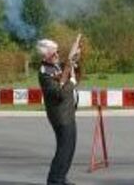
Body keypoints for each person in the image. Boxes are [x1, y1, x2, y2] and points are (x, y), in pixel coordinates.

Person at [38, 39, 80, 185]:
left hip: (67, 112)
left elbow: (73, 72)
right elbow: (59, 94)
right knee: (64, 150)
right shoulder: (45, 73)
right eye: (54, 53)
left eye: (58, 52)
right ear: (45, 56)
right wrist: (72, 82)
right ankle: (55, 180)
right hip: (60, 116)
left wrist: (74, 61)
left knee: (69, 149)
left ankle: (61, 177)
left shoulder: (55, 66)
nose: (57, 55)